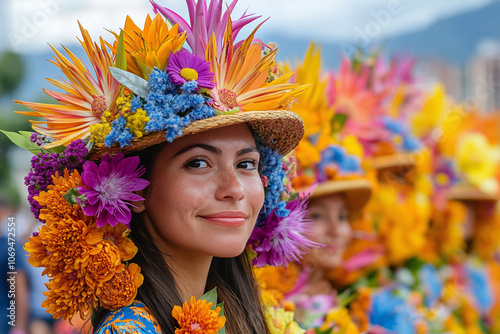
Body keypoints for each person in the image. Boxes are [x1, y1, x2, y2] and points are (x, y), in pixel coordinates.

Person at [8, 1, 313, 333]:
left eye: (246, 164)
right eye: (198, 163)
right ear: (132, 189)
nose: (235, 189)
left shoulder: (247, 312)